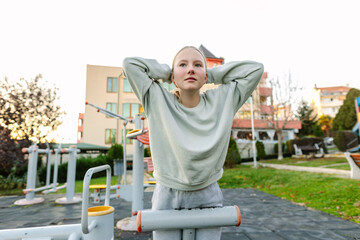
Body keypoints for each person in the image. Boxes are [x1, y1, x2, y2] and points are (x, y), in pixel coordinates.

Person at [123, 46, 264, 240]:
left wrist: (210, 73)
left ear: (205, 77)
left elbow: (255, 69)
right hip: (167, 194)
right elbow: (130, 65)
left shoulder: (222, 100)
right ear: (173, 77)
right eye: (183, 65)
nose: (190, 69)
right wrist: (168, 72)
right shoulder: (157, 100)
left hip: (207, 193)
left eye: (197, 65)